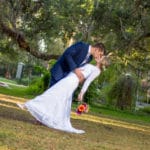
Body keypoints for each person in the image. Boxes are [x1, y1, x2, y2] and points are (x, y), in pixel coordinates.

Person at [17, 56, 110, 134]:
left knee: (52, 94)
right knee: (55, 97)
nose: (99, 57)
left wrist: (82, 92)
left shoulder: (97, 71)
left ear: (102, 61)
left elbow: (88, 82)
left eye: (101, 57)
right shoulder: (92, 65)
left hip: (72, 81)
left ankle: (27, 105)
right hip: (70, 78)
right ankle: (43, 115)